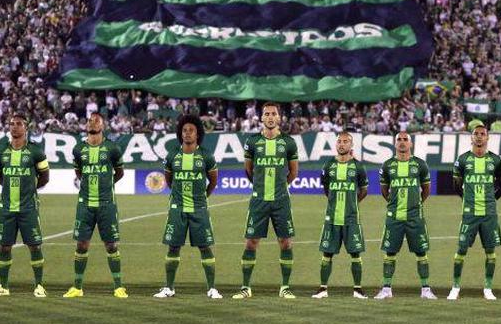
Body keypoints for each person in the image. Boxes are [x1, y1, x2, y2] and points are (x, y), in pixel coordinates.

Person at [233, 102, 300, 299]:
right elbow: (248, 170)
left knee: (286, 243)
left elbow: (293, 172)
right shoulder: (252, 142)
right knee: (251, 242)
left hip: (281, 201)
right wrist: (260, 187)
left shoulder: (288, 142)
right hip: (259, 201)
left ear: (279, 118)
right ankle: (246, 287)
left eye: (273, 114)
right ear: (261, 118)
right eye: (267, 114)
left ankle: (285, 287)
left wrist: (280, 187)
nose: (270, 117)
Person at [152, 115, 221, 299]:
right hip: (178, 208)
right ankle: (169, 288)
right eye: (184, 130)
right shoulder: (172, 155)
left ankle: (212, 288)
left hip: (199, 208)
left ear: (197, 134)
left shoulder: (206, 155)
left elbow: (213, 181)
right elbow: (169, 179)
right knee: (173, 247)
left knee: (205, 247)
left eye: (191, 130)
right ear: (180, 133)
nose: (187, 133)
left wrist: (202, 197)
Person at [63, 113, 127, 298]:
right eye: (90, 120)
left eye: (96, 120)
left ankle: (118, 287)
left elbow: (120, 172)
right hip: (85, 204)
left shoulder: (112, 148)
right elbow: (79, 172)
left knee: (111, 246)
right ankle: (77, 287)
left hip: (107, 204)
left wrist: (107, 184)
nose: (92, 122)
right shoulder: (78, 149)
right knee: (81, 245)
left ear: (103, 125)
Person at [0, 113, 50, 297]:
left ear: (26, 128)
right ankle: (3, 286)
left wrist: (30, 189)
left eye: (19, 124)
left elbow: (45, 177)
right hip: (7, 208)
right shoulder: (0, 151)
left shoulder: (36, 152)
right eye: (12, 124)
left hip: (28, 208)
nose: (14, 127)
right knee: (4, 247)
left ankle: (39, 285)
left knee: (35, 246)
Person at [448, 123, 501, 300]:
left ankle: (488, 288)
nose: (479, 136)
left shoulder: (495, 161)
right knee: (461, 250)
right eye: (476, 134)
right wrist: (468, 200)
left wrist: (490, 201)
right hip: (470, 214)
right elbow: (456, 185)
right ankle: (455, 287)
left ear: (488, 137)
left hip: (489, 214)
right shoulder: (463, 159)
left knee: (490, 251)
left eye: (482, 134)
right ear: (471, 137)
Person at [374, 132, 436, 300]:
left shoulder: (420, 165)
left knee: (421, 252)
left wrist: (416, 204)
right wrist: (393, 204)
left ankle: (425, 289)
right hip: (394, 217)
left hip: (415, 217)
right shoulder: (387, 165)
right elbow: (384, 191)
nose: (402, 143)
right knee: (390, 252)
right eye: (399, 140)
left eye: (405, 140)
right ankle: (386, 289)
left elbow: (426, 190)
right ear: (395, 144)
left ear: (411, 144)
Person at [313, 132, 369, 299]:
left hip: (351, 218)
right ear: (336, 144)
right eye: (339, 141)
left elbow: (364, 191)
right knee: (327, 253)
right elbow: (326, 189)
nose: (342, 144)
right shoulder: (328, 165)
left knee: (355, 253)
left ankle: (357, 289)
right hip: (332, 217)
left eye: (345, 142)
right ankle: (323, 289)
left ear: (351, 146)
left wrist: (352, 203)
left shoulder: (358, 167)